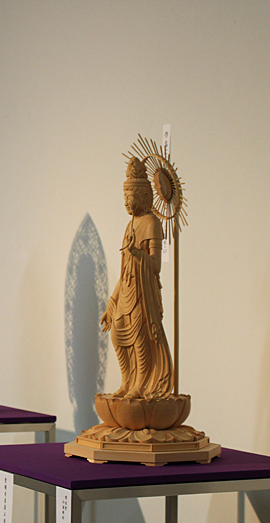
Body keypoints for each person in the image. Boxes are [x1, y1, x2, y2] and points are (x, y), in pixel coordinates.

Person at [100, 157, 173, 399]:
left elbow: (155, 266)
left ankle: (141, 384)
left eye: (130, 197)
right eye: (124, 197)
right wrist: (111, 304)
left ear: (144, 197)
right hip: (127, 291)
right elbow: (124, 273)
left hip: (143, 293)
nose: (126, 202)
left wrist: (136, 253)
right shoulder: (129, 226)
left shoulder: (152, 223)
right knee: (117, 334)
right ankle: (127, 381)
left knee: (140, 337)